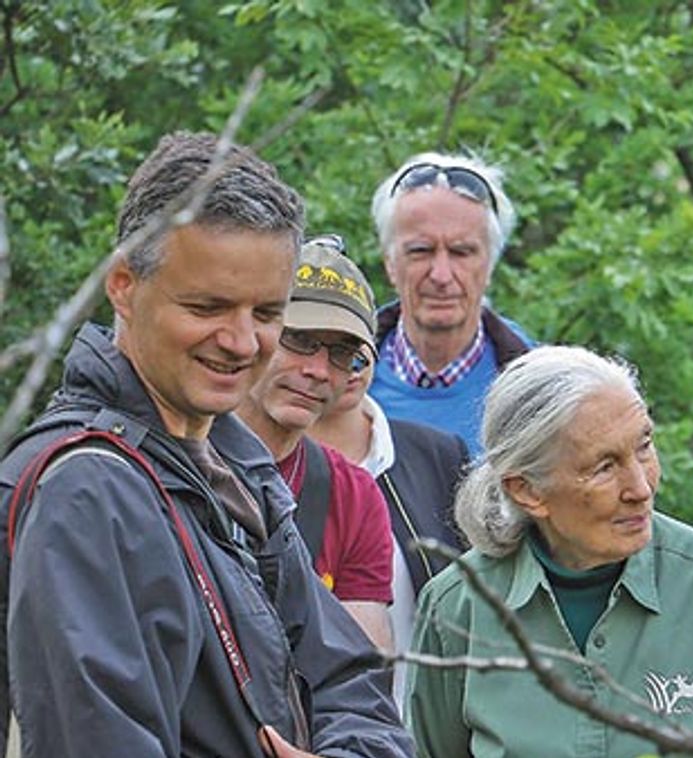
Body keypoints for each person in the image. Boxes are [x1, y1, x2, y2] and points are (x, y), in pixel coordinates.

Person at [0, 132, 412, 757]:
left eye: (269, 314)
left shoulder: (237, 465)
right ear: (123, 285)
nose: (242, 342)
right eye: (207, 306)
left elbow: (353, 682)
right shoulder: (84, 489)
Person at [406, 345, 693, 757]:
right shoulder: (455, 608)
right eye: (604, 466)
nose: (641, 488)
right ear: (526, 491)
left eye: (644, 446)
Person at [236, 234, 395, 650]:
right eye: (301, 340)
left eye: (343, 354)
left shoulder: (353, 497)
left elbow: (362, 681)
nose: (319, 370)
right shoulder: (167, 466)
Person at [310, 324, 470, 709]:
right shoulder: (254, 467)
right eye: (315, 343)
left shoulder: (437, 452)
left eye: (356, 343)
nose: (350, 363)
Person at [367, 151, 533, 455]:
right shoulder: (337, 379)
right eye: (421, 250)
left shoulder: (539, 386)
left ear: (490, 264)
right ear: (390, 262)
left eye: (461, 252)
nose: (441, 275)